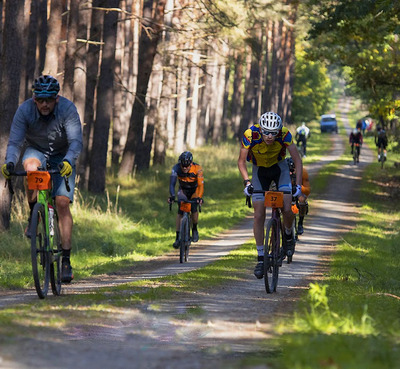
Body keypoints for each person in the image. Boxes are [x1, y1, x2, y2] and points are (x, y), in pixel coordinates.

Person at [1, 75, 82, 283]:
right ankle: (34, 213)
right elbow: (15, 142)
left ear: (56, 98)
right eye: (40, 99)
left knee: (62, 203)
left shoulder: (67, 109)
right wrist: (10, 162)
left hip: (63, 156)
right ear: (34, 99)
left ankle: (65, 260)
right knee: (30, 168)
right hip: (36, 150)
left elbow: (75, 141)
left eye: (49, 99)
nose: (44, 104)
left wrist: (68, 161)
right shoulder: (24, 111)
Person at [238, 111, 303, 279]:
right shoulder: (250, 134)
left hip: (279, 169)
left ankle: (288, 235)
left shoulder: (285, 134)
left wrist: (298, 185)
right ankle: (261, 258)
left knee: (287, 208)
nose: (269, 136)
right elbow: (241, 161)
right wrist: (247, 182)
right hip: (259, 171)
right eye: (266, 132)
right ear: (261, 129)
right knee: (258, 214)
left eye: (273, 133)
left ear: (278, 131)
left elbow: (297, 160)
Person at [168, 151, 204, 248]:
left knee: (193, 208)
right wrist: (172, 196)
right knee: (180, 211)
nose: (184, 168)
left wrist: (199, 197)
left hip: (194, 191)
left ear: (191, 164)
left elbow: (200, 185)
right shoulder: (176, 168)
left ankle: (195, 229)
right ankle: (177, 238)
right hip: (183, 190)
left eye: (187, 166)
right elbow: (172, 184)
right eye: (182, 166)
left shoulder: (197, 168)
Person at [287, 158, 310, 236]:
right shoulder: (282, 173)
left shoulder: (303, 172)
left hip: (298, 191)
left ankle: (300, 223)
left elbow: (307, 190)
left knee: (302, 200)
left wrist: (299, 187)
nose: (291, 173)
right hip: (286, 192)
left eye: (292, 170)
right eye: (289, 171)